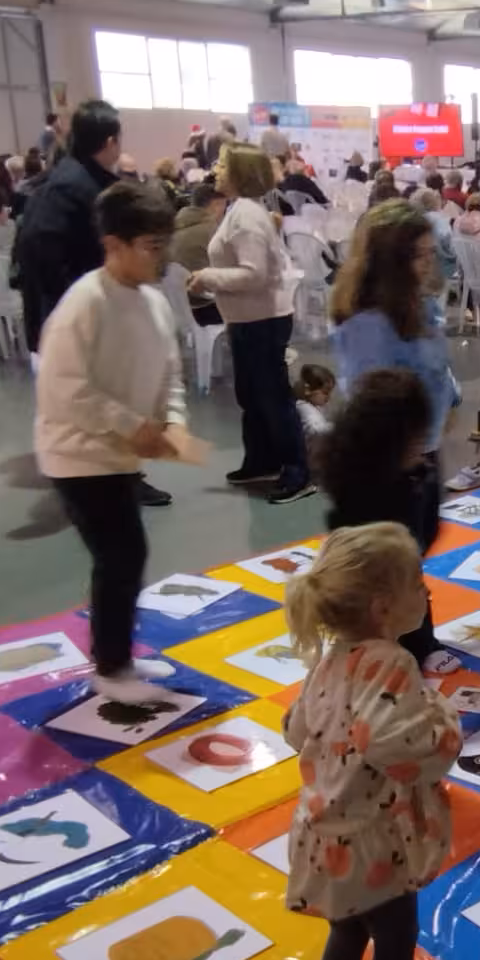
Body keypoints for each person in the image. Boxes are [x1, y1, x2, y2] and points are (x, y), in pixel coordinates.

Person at [280, 521, 459, 960]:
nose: (427, 592)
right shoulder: (391, 662)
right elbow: (399, 746)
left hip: (322, 833)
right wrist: (444, 722)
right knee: (394, 943)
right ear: (385, 607)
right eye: (419, 581)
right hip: (374, 843)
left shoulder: (331, 659)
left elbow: (294, 729)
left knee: (345, 937)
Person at [34, 181, 185, 706]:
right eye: (150, 246)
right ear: (113, 244)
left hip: (119, 452)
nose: (161, 257)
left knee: (124, 553)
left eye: (165, 244)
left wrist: (170, 423)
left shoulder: (153, 303)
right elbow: (66, 388)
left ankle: (115, 652)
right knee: (121, 553)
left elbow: (171, 372)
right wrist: (130, 424)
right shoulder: (85, 303)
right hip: (76, 455)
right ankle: (111, 666)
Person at [327, 201, 463, 669]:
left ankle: (403, 633)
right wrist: (404, 446)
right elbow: (373, 396)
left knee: (421, 538)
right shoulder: (369, 325)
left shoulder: (417, 306)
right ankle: (408, 642)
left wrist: (452, 401)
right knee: (395, 554)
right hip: (388, 459)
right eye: (421, 255)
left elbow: (436, 365)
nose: (432, 264)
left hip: (420, 448)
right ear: (393, 262)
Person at [188, 142, 313, 505]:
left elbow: (253, 274)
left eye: (224, 166)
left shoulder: (245, 216)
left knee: (272, 398)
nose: (217, 171)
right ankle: (262, 459)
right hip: (247, 318)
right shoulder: (240, 211)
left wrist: (207, 276)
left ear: (240, 173)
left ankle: (296, 470)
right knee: (252, 395)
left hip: (262, 319)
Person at [16, 100, 125, 354]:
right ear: (110, 142)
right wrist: (78, 304)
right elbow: (40, 252)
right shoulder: (75, 188)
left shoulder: (66, 178)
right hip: (72, 317)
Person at [170, 184, 226, 325]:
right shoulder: (213, 232)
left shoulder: (173, 228)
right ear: (216, 205)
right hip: (206, 306)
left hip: (177, 305)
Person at [413, 188, 458, 282]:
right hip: (445, 270)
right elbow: (449, 245)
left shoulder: (416, 220)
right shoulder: (440, 220)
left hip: (422, 273)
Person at [296, 363, 337, 438]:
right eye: (325, 393)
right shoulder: (303, 407)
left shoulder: (312, 406)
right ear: (308, 389)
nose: (328, 397)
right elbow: (315, 429)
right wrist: (338, 427)